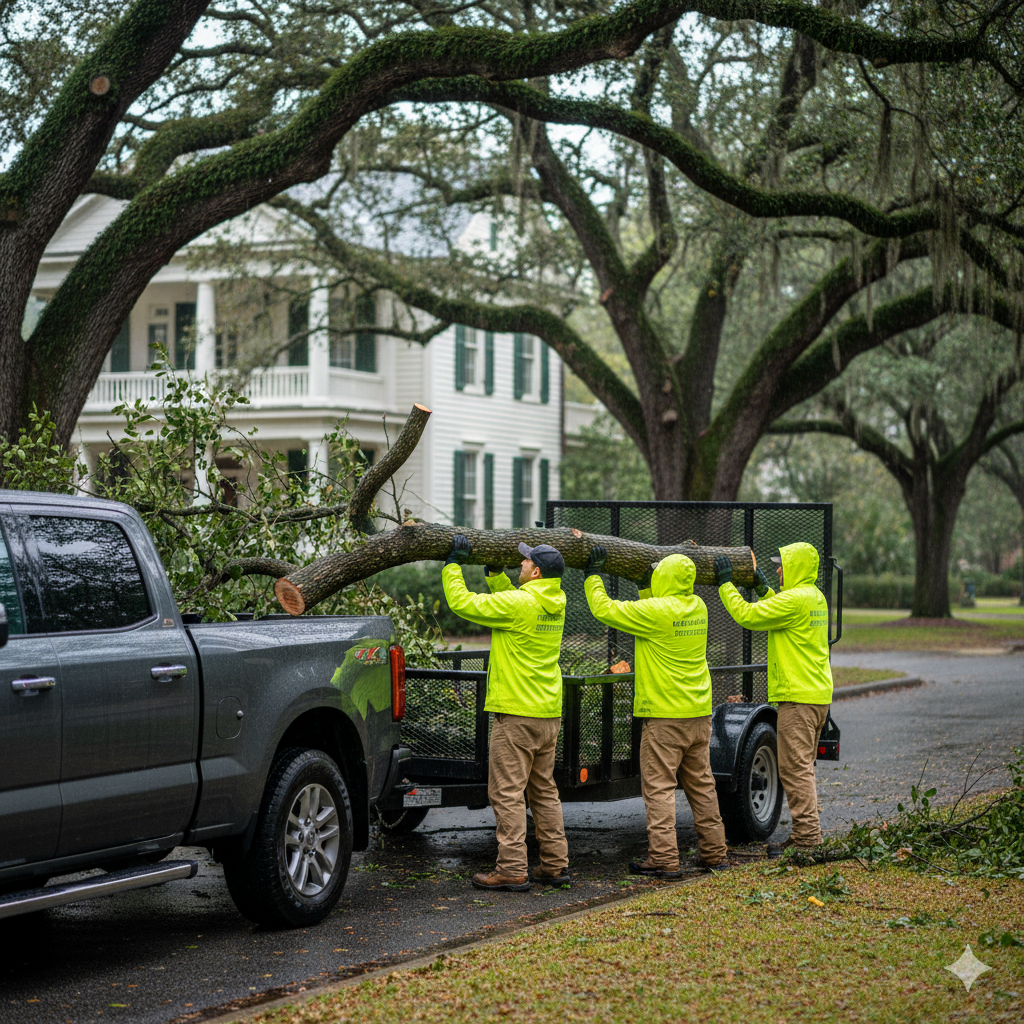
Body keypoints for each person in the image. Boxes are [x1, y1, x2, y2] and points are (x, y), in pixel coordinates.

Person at [583, 547, 730, 877]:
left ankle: (664, 858)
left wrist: (593, 575)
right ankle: (715, 852)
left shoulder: (656, 612)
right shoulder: (699, 606)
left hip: (665, 717)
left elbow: (604, 609)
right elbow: (659, 608)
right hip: (697, 713)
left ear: (663, 578)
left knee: (659, 789)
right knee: (702, 786)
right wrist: (646, 586)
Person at [442, 535, 570, 891]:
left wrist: (452, 565)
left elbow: (463, 603)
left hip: (516, 714)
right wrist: (497, 577)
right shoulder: (556, 600)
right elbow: (515, 602)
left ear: (536, 572)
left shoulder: (519, 605)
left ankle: (512, 869)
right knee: (544, 791)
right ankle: (555, 865)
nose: (521, 565)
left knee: (507, 793)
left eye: (525, 564)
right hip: (546, 713)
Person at [714, 542, 833, 856]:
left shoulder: (794, 600)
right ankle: (804, 835)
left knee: (795, 770)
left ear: (795, 567)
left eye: (782, 565)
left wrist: (725, 584)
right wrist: (765, 588)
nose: (779, 569)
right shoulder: (814, 597)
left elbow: (748, 616)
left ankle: (808, 840)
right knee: (801, 766)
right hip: (816, 696)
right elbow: (781, 611)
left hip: (798, 698)